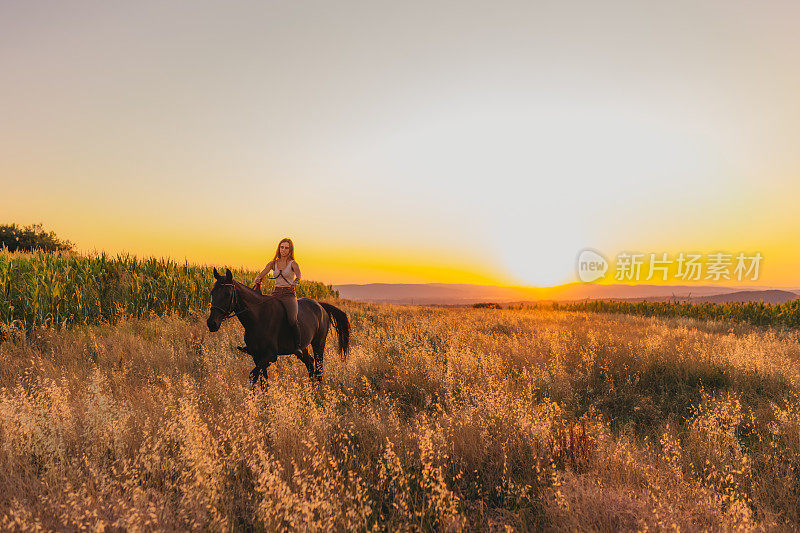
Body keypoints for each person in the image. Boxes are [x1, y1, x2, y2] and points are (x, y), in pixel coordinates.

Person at [254, 238, 304, 356]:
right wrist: (258, 278)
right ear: (279, 248)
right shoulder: (273, 263)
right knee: (262, 314)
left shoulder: (293, 263)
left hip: (288, 295)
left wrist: (295, 282)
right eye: (282, 247)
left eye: (286, 248)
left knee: (292, 319)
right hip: (276, 294)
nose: (284, 250)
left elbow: (298, 276)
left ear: (290, 249)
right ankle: (258, 342)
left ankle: (298, 346)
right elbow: (262, 273)